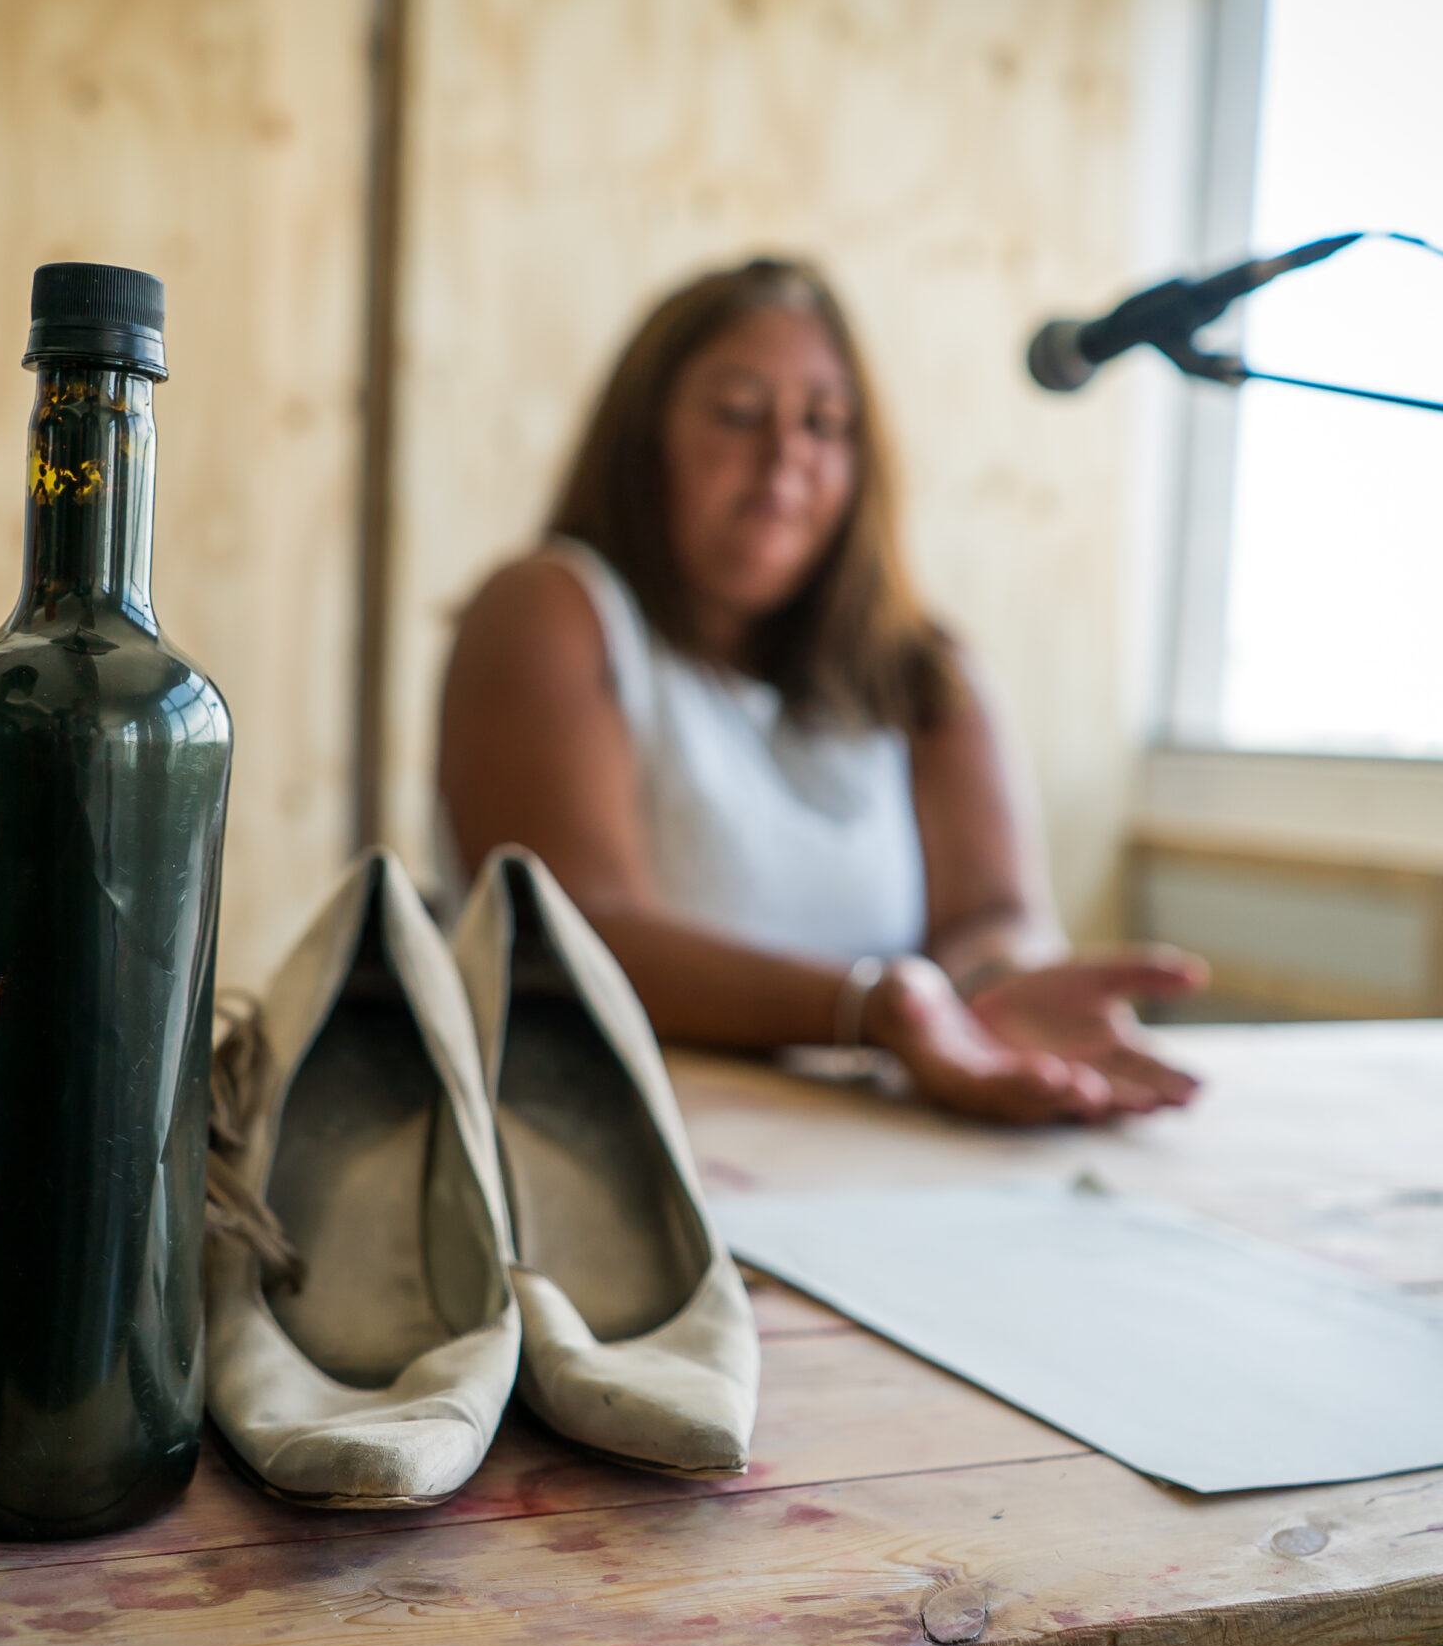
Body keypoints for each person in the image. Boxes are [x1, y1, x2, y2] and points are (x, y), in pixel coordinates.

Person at [437, 256, 1207, 1125]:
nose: (785, 458)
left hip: (871, 1141)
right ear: (643, 437)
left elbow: (990, 916)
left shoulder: (924, 665)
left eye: (825, 424)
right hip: (612, 1144)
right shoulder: (550, 609)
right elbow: (569, 935)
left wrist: (1004, 988)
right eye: (737, 414)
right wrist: (877, 1008)